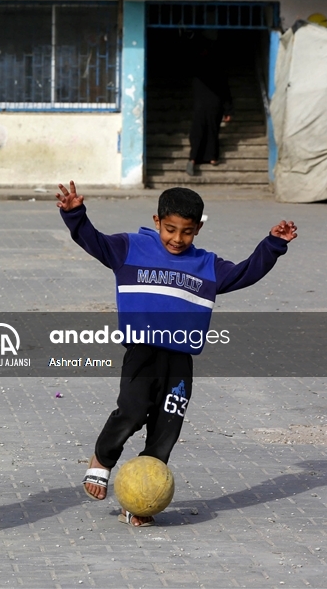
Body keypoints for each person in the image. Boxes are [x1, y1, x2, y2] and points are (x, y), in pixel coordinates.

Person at [56, 182, 297, 526]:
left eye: (187, 232)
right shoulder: (130, 248)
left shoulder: (206, 265)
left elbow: (245, 272)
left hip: (181, 359)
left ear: (199, 228)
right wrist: (74, 213)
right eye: (170, 229)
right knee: (133, 410)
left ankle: (141, 501)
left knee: (167, 428)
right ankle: (102, 459)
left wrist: (272, 245)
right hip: (142, 353)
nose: (177, 239)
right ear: (157, 221)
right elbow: (92, 240)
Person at [186, 36, 233, 176]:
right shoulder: (217, 68)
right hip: (214, 104)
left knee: (198, 130)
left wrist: (228, 109)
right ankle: (211, 157)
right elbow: (225, 90)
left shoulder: (197, 66)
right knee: (212, 130)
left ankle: (194, 159)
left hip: (203, 104)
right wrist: (228, 109)